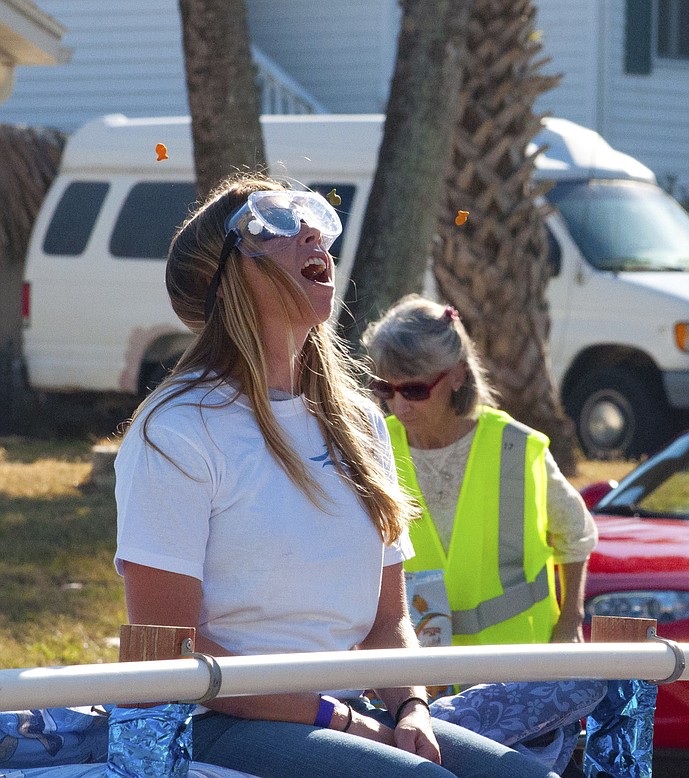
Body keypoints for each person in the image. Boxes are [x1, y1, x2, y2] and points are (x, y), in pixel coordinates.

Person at [112, 173, 559, 778]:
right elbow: (169, 648)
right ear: (224, 283)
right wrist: (343, 721)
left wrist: (411, 710)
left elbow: (387, 620)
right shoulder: (177, 429)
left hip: (345, 709)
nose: (311, 234)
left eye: (312, 218)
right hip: (218, 722)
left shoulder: (360, 423)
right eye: (274, 224)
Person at [361, 294, 604, 773]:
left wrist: (570, 622)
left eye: (412, 389)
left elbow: (576, 533)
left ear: (454, 375)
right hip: (416, 689)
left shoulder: (518, 447)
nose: (396, 404)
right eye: (382, 389)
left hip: (518, 684)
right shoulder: (370, 446)